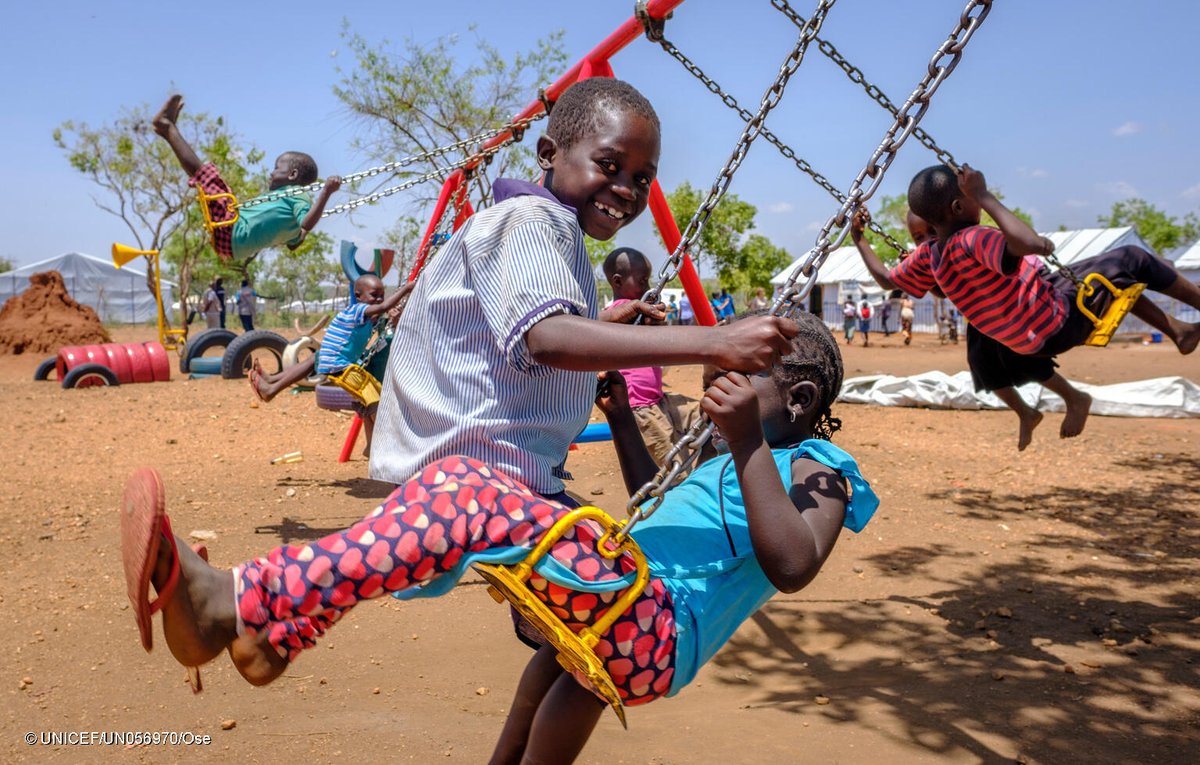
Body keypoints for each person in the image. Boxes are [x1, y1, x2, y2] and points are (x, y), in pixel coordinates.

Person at [119, 310, 877, 763]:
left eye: (749, 371)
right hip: (625, 596)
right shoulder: (731, 449)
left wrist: (745, 439)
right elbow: (652, 498)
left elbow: (793, 564)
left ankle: (244, 603)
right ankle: (275, 630)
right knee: (537, 674)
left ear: (800, 395)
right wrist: (620, 417)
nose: (726, 376)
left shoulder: (818, 469)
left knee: (474, 495)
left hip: (656, 624)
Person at [368, 77, 798, 502]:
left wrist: (600, 324)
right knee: (628, 569)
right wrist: (717, 341)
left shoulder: (553, 230)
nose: (626, 189)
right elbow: (547, 338)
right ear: (549, 153)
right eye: (608, 166)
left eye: (643, 179)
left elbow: (510, 333)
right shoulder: (527, 220)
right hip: (474, 476)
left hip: (483, 468)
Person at [852, 164, 1200, 448]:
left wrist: (860, 239)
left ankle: (1180, 331)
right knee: (1133, 257)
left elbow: (885, 278)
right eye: (970, 198)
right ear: (959, 206)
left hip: (1027, 345)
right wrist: (985, 195)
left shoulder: (928, 256)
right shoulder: (973, 238)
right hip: (1060, 322)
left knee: (1110, 278)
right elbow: (1029, 243)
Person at [152, 94, 342, 262]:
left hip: (233, 232)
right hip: (232, 247)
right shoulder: (290, 205)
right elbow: (294, 242)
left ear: (292, 175)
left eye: (276, 168)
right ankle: (167, 131)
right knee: (210, 184)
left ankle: (167, 128)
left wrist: (326, 192)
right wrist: (299, 234)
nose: (271, 173)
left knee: (211, 179)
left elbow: (306, 222)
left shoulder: (296, 194)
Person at [602, 247, 694, 466]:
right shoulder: (621, 313)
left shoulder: (632, 312)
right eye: (642, 281)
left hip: (657, 399)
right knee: (672, 469)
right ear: (617, 281)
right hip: (641, 410)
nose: (648, 286)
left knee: (706, 421)